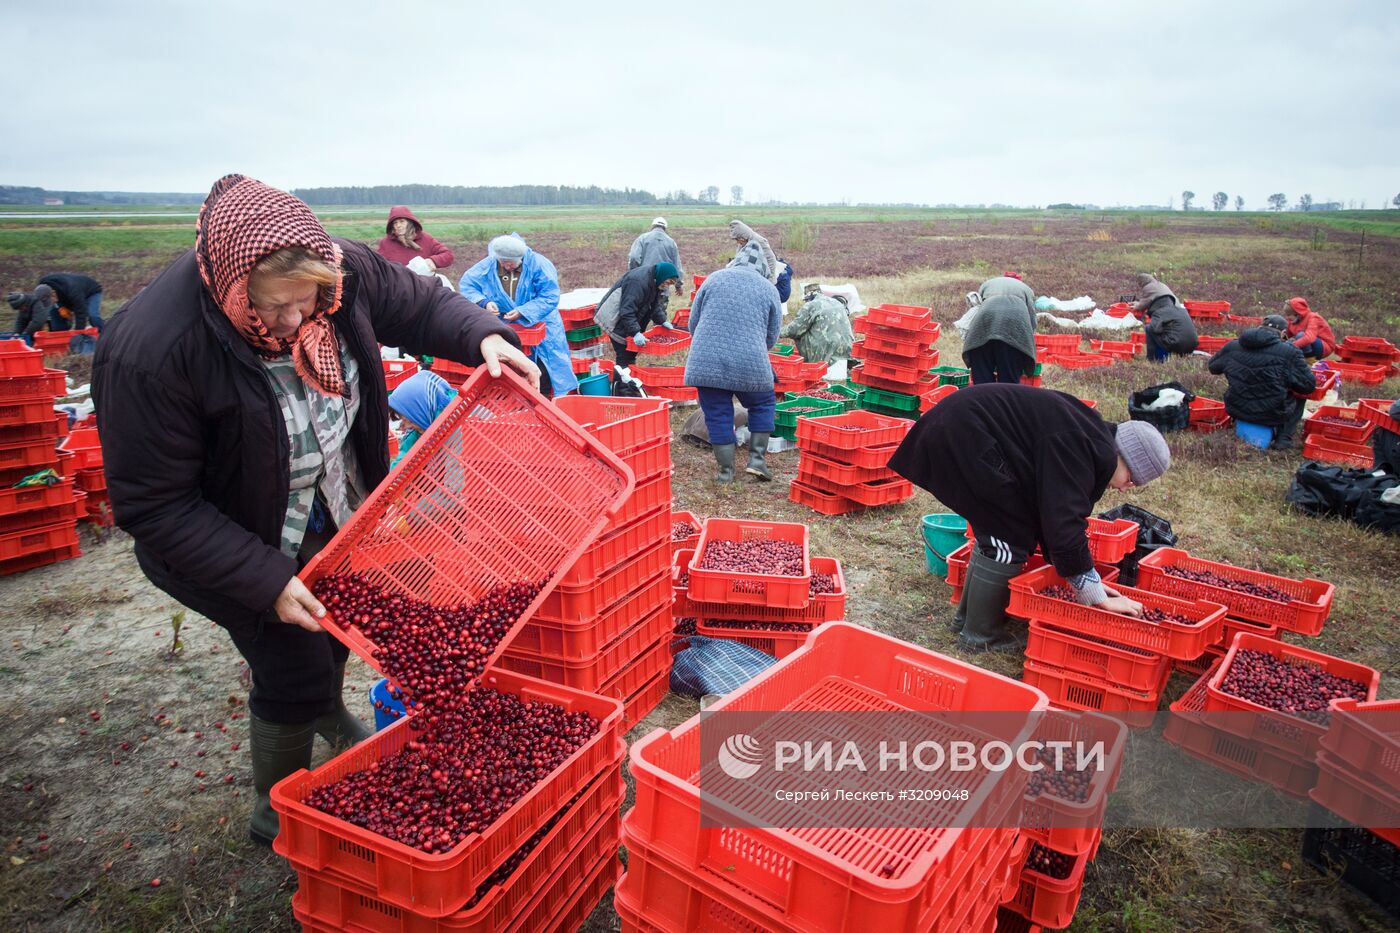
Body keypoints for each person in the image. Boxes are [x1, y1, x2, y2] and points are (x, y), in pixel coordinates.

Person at [90, 174, 539, 846]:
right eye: (277, 308)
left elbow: (416, 303)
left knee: (334, 625)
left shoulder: (340, 268)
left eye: (312, 304)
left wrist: (482, 335)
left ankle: (324, 713)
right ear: (234, 285)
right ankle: (276, 811)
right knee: (290, 659)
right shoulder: (152, 349)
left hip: (324, 502)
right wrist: (264, 579)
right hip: (225, 532)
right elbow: (156, 504)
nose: (298, 323)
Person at [889, 384, 1171, 651]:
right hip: (962, 433)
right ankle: (979, 636)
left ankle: (966, 623)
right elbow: (1064, 522)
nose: (1125, 488)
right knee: (1007, 535)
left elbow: (1050, 512)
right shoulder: (1084, 450)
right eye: (1132, 479)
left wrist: (1091, 582)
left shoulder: (1092, 441)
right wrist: (1092, 592)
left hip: (967, 431)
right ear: (1127, 457)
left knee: (1001, 533)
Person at [684, 265, 783, 482]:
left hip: (706, 361)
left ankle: (725, 473)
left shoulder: (713, 279)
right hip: (750, 360)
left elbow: (693, 324)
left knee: (717, 413)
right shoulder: (768, 288)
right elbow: (773, 335)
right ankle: (757, 461)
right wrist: (755, 348)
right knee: (762, 403)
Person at [459, 234, 578, 397]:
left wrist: (524, 311)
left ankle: (545, 399)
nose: (507, 266)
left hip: (542, 325)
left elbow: (549, 296)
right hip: (507, 325)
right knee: (513, 365)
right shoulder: (487, 265)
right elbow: (467, 285)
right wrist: (484, 302)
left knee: (547, 366)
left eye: (512, 262)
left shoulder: (539, 265)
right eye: (503, 262)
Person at [1207, 315, 1317, 450]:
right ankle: (1284, 438)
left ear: (1259, 327)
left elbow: (1213, 367)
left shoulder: (1233, 346)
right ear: (1283, 334)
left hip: (1238, 408)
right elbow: (1308, 386)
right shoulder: (1290, 352)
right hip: (1271, 413)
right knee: (1300, 398)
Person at [594, 261, 682, 367]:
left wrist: (663, 320)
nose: (666, 286)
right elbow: (627, 310)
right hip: (616, 319)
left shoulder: (655, 280)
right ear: (662, 275)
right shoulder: (638, 282)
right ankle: (620, 382)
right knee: (624, 356)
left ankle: (629, 379)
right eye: (667, 282)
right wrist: (635, 332)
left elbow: (654, 304)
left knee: (630, 355)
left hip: (627, 319)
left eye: (669, 284)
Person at [962, 276, 1037, 385]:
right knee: (1008, 381)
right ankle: (1004, 399)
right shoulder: (1026, 289)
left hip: (984, 325)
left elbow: (977, 305)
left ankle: (983, 399)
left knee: (982, 379)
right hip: (1013, 329)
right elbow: (1031, 319)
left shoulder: (987, 283)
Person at [387, 370, 457, 467]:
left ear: (424, 410)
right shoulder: (425, 422)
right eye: (403, 421)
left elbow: (455, 475)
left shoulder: (456, 426)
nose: (405, 427)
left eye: (411, 421)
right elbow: (402, 461)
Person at [781, 283, 853, 365]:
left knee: (801, 333)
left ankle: (810, 363)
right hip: (847, 350)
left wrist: (776, 332)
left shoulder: (811, 305)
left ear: (808, 297)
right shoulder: (836, 302)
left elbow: (794, 330)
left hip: (826, 354)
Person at [1132, 273, 1197, 360]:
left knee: (1150, 328)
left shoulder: (1159, 312)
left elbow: (1154, 329)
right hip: (1192, 345)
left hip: (1177, 345)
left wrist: (1138, 307)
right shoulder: (1180, 310)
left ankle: (1155, 359)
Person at [376, 206, 455, 274]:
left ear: (410, 222)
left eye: (402, 221)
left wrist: (433, 260)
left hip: (424, 287)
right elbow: (378, 267)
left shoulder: (425, 239)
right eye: (395, 223)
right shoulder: (385, 243)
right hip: (397, 289)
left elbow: (448, 255)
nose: (398, 225)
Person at [628, 218, 684, 295]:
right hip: (663, 286)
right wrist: (678, 285)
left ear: (652, 226)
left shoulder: (642, 238)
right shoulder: (671, 242)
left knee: (641, 305)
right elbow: (677, 266)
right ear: (665, 228)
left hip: (643, 283)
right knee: (659, 305)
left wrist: (635, 274)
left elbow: (634, 257)